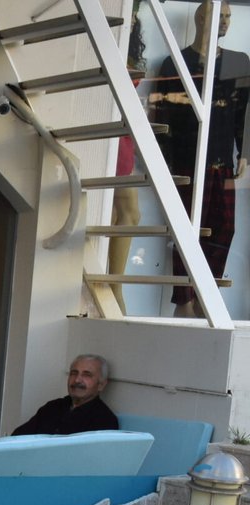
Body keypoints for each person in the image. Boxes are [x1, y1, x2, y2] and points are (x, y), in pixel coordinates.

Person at [149, 2, 250, 317]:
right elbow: (163, 109)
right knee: (187, 228)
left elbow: (244, 113)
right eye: (221, 16)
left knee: (224, 228)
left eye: (230, 18)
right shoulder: (177, 62)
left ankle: (208, 292)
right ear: (202, 18)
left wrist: (245, 151)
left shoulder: (237, 61)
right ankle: (185, 300)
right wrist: (164, 158)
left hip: (223, 162)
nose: (226, 23)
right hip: (188, 161)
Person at [11, 354, 118, 435]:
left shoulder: (104, 420)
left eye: (87, 375)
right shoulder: (53, 407)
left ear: (101, 385)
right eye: (74, 373)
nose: (77, 380)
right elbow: (18, 437)